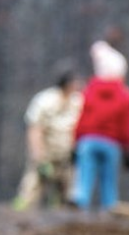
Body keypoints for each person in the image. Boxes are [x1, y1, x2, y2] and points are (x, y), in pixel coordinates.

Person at [71, 40, 129, 212]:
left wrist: (75, 141)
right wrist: (127, 149)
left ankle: (80, 200)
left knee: (84, 176)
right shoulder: (125, 95)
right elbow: (127, 125)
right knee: (109, 180)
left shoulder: (89, 90)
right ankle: (109, 206)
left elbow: (81, 117)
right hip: (111, 143)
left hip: (87, 141)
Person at [16, 64, 83, 210]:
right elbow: (35, 128)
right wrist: (39, 156)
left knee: (66, 197)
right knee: (30, 192)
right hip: (46, 155)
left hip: (67, 158)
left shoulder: (78, 102)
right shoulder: (45, 100)